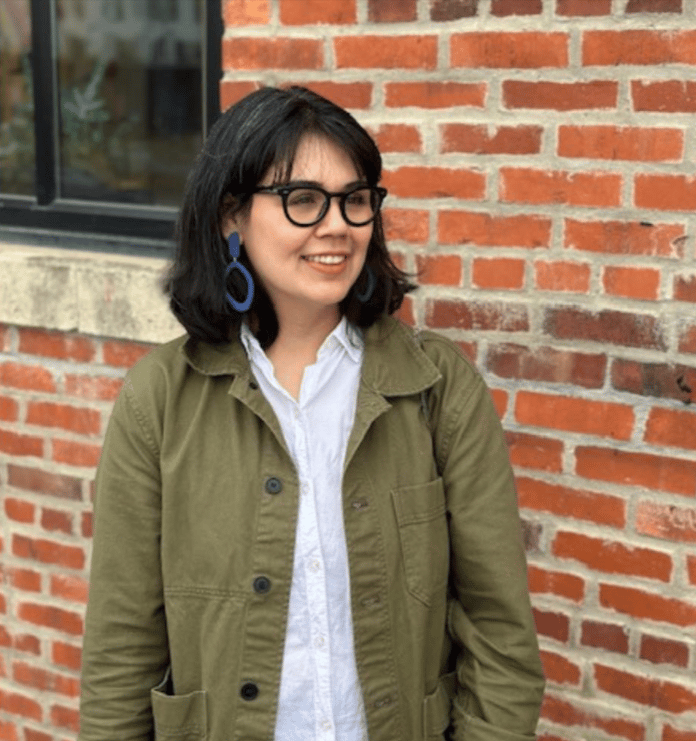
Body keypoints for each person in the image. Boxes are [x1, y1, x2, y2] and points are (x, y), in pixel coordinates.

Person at [78, 86, 545, 741]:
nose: (338, 225)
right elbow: (121, 650)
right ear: (229, 217)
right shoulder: (160, 399)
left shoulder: (436, 387)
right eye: (302, 199)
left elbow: (499, 632)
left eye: (356, 200)